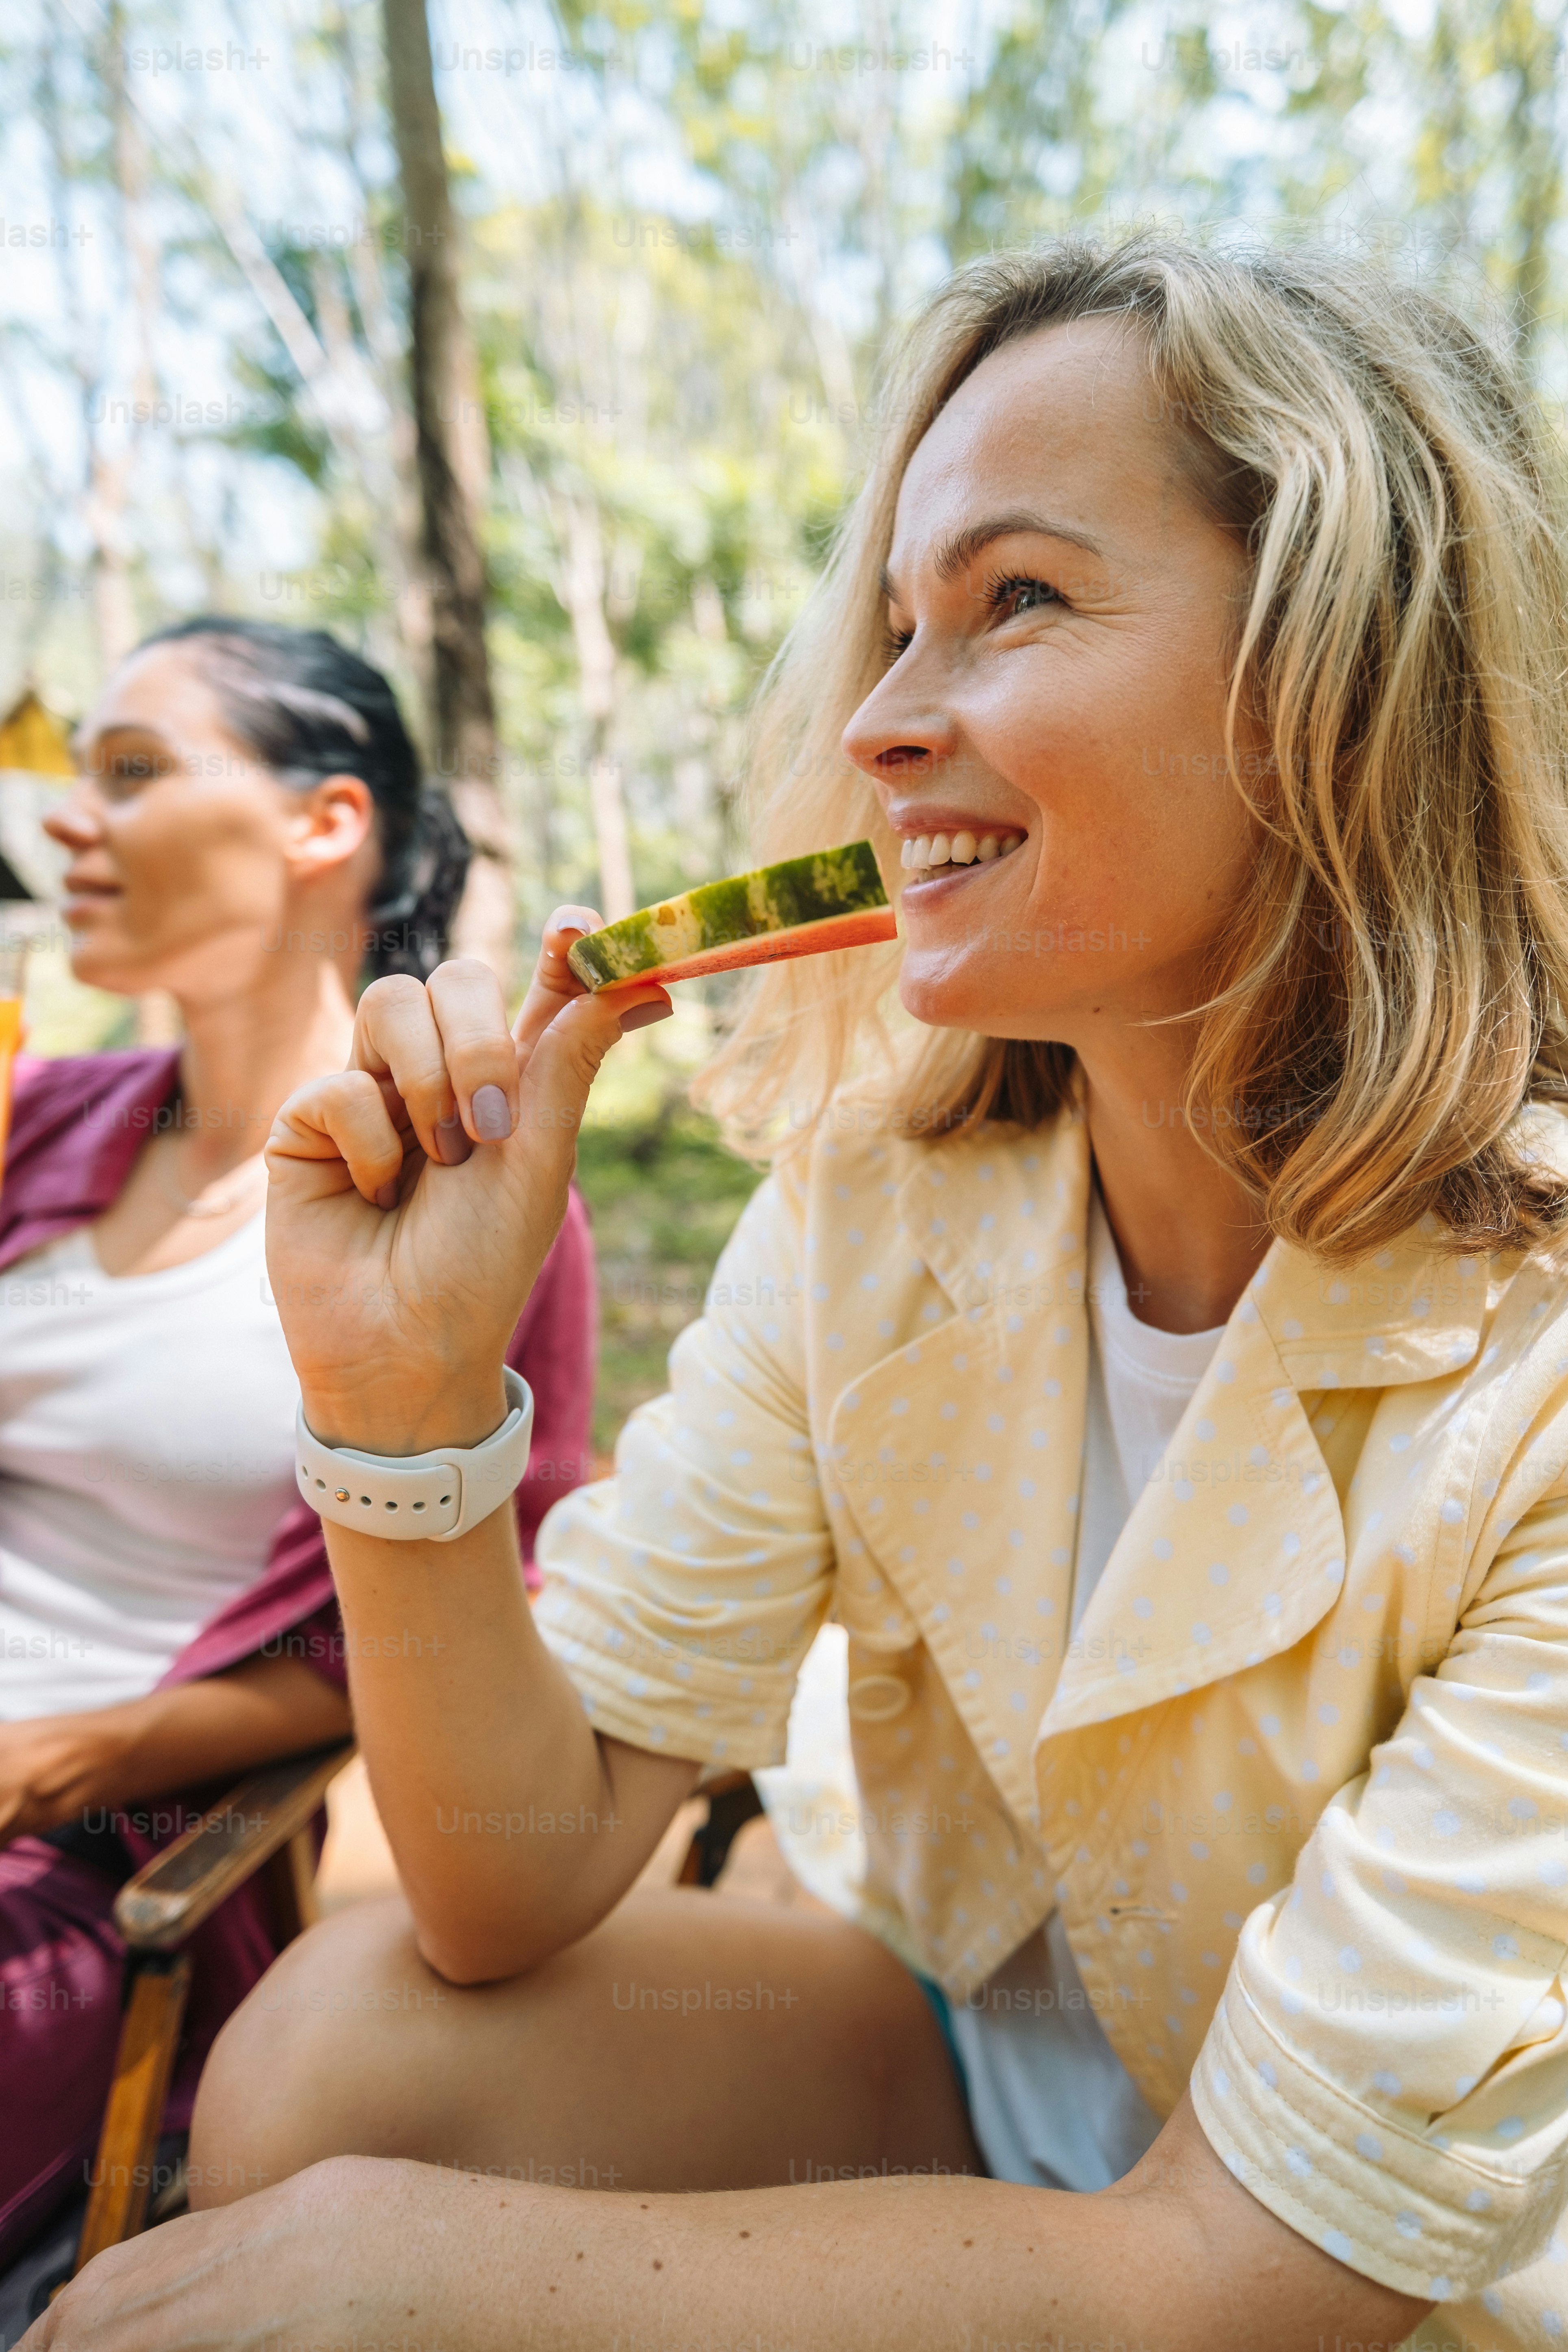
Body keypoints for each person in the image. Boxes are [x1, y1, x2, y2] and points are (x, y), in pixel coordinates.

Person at [31, 235, 1568, 2352]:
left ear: (1338, 666)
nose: (876, 720)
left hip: (1371, 2269)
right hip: (956, 2060)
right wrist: (401, 1396)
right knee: (339, 2048)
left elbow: (1249, 2269)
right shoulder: (874, 1210)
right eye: (894, 622)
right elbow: (505, 1874)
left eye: (1015, 600)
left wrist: (483, 2275)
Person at [0, 618, 597, 2268]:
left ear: (322, 824)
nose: (64, 818)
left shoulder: (460, 1206)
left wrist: (53, 1761)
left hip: (75, 1860)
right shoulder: (38, 1116)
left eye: (132, 771)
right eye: (73, 775)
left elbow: (428, 1633)